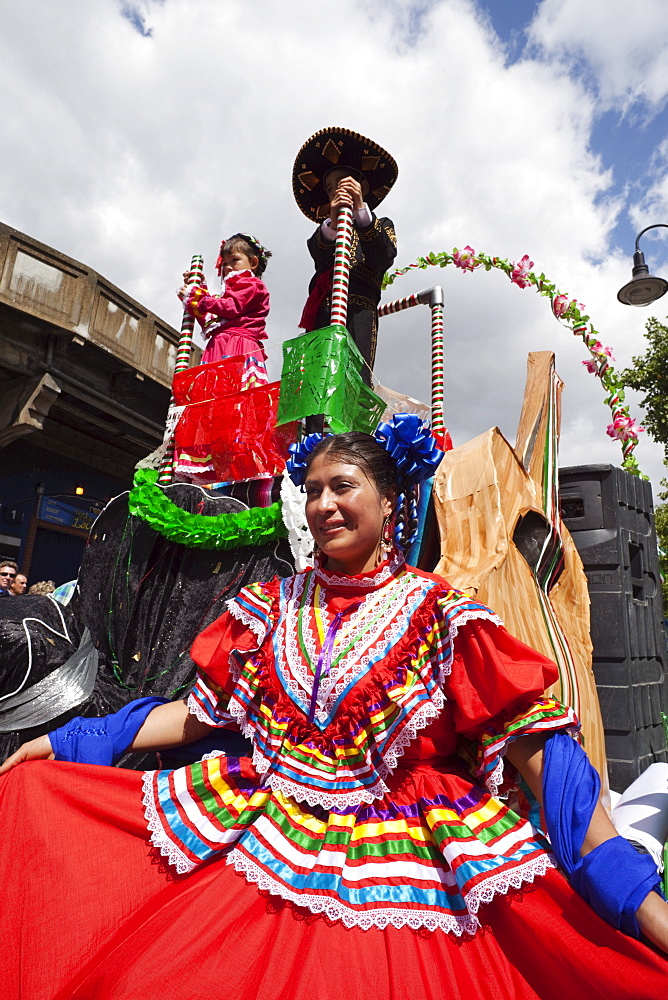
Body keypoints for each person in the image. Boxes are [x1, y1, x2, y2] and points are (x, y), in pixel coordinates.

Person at [1, 415, 668, 999]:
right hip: (266, 832)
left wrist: (632, 893)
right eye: (313, 490)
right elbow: (199, 714)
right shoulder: (267, 607)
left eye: (343, 487)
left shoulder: (443, 616)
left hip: (406, 867)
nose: (324, 504)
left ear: (386, 500)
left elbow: (547, 764)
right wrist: (68, 744)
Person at [293, 127, 398, 385]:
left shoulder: (379, 223)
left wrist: (359, 210)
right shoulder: (327, 232)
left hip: (359, 311)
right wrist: (334, 219)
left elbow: (383, 255)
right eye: (329, 189)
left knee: (353, 378)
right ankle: (316, 426)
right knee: (317, 379)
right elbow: (318, 252)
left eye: (340, 184)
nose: (335, 192)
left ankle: (351, 425)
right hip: (323, 312)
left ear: (360, 185)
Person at [178, 232, 271, 385]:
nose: (228, 267)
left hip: (237, 345)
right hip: (218, 345)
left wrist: (199, 298)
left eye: (235, 260)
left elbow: (230, 307)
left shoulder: (253, 285)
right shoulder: (224, 296)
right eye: (224, 264)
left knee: (233, 391)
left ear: (253, 262)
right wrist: (197, 290)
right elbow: (210, 317)